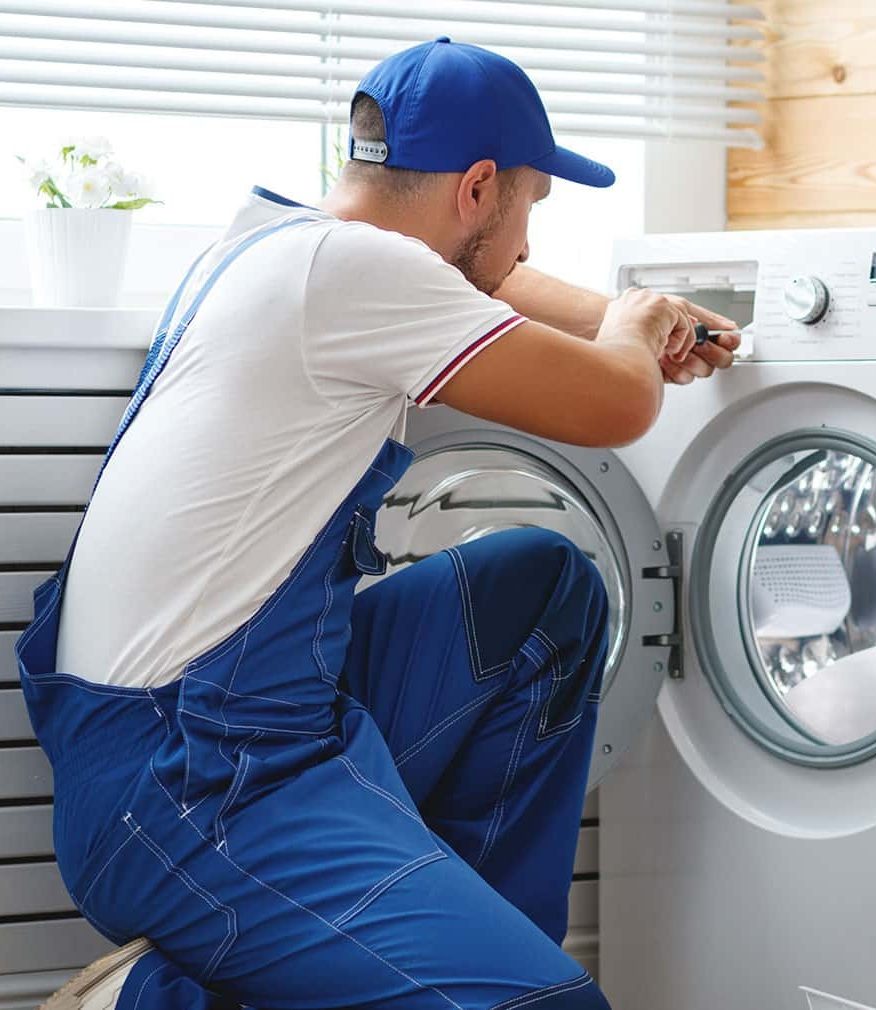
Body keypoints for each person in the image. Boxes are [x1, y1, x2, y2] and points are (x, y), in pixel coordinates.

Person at [19, 37, 738, 1010]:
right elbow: (618, 405)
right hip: (194, 791)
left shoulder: (278, 238)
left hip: (231, 725)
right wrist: (636, 328)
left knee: (540, 590)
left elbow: (495, 281)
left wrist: (622, 313)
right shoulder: (356, 276)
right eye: (531, 202)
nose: (528, 239)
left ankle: (446, 950)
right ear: (477, 187)